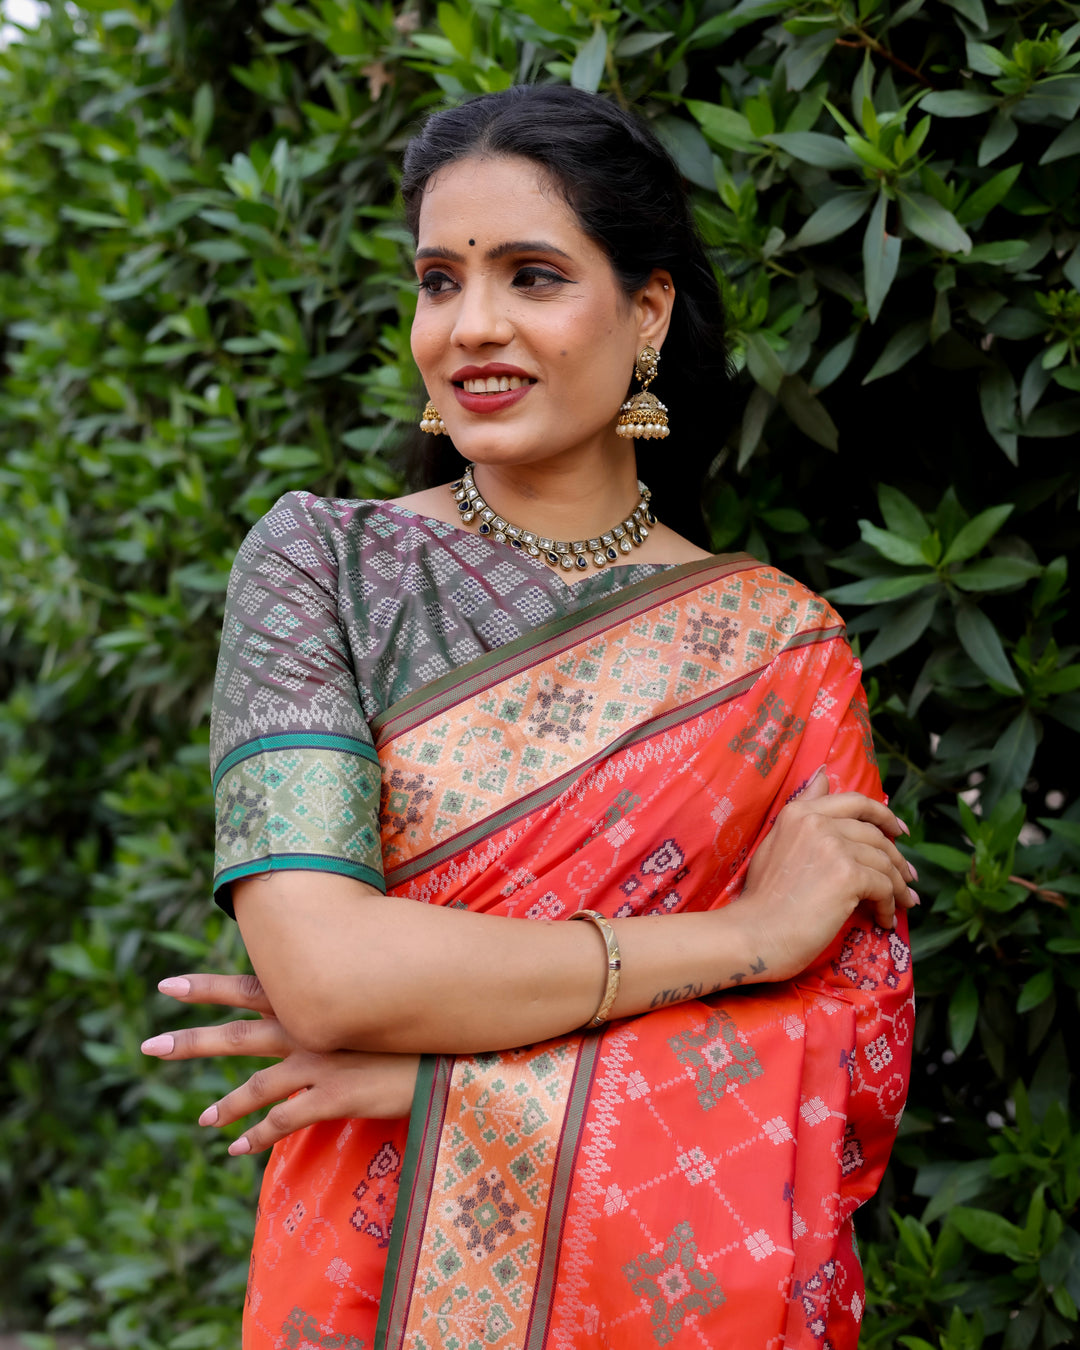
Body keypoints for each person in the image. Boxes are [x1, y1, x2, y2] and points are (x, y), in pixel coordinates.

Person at [142, 84, 915, 1349]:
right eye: (438, 280)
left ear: (646, 311)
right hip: (356, 1279)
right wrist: (749, 935)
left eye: (532, 275)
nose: (470, 326)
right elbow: (328, 974)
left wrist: (434, 1082)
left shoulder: (781, 649)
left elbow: (846, 1058)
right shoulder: (317, 568)